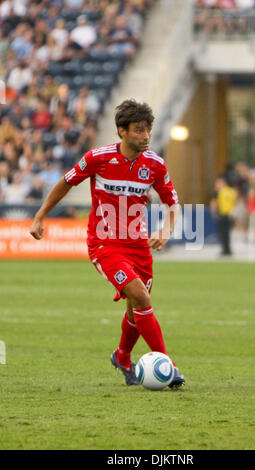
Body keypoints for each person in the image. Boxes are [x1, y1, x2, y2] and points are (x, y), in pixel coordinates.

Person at [29, 99, 185, 388]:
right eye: (139, 130)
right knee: (141, 297)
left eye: (148, 129)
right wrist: (40, 216)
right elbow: (66, 182)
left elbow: (172, 202)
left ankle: (122, 357)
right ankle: (167, 364)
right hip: (105, 245)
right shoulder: (97, 158)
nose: (146, 136)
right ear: (121, 131)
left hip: (139, 247)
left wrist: (166, 228)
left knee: (135, 309)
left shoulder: (155, 164)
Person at [211, 175, 237, 256]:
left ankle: (224, 249)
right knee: (227, 233)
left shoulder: (220, 192)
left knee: (222, 233)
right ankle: (228, 249)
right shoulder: (232, 191)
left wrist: (213, 213)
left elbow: (214, 203)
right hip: (230, 215)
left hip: (222, 214)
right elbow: (236, 202)